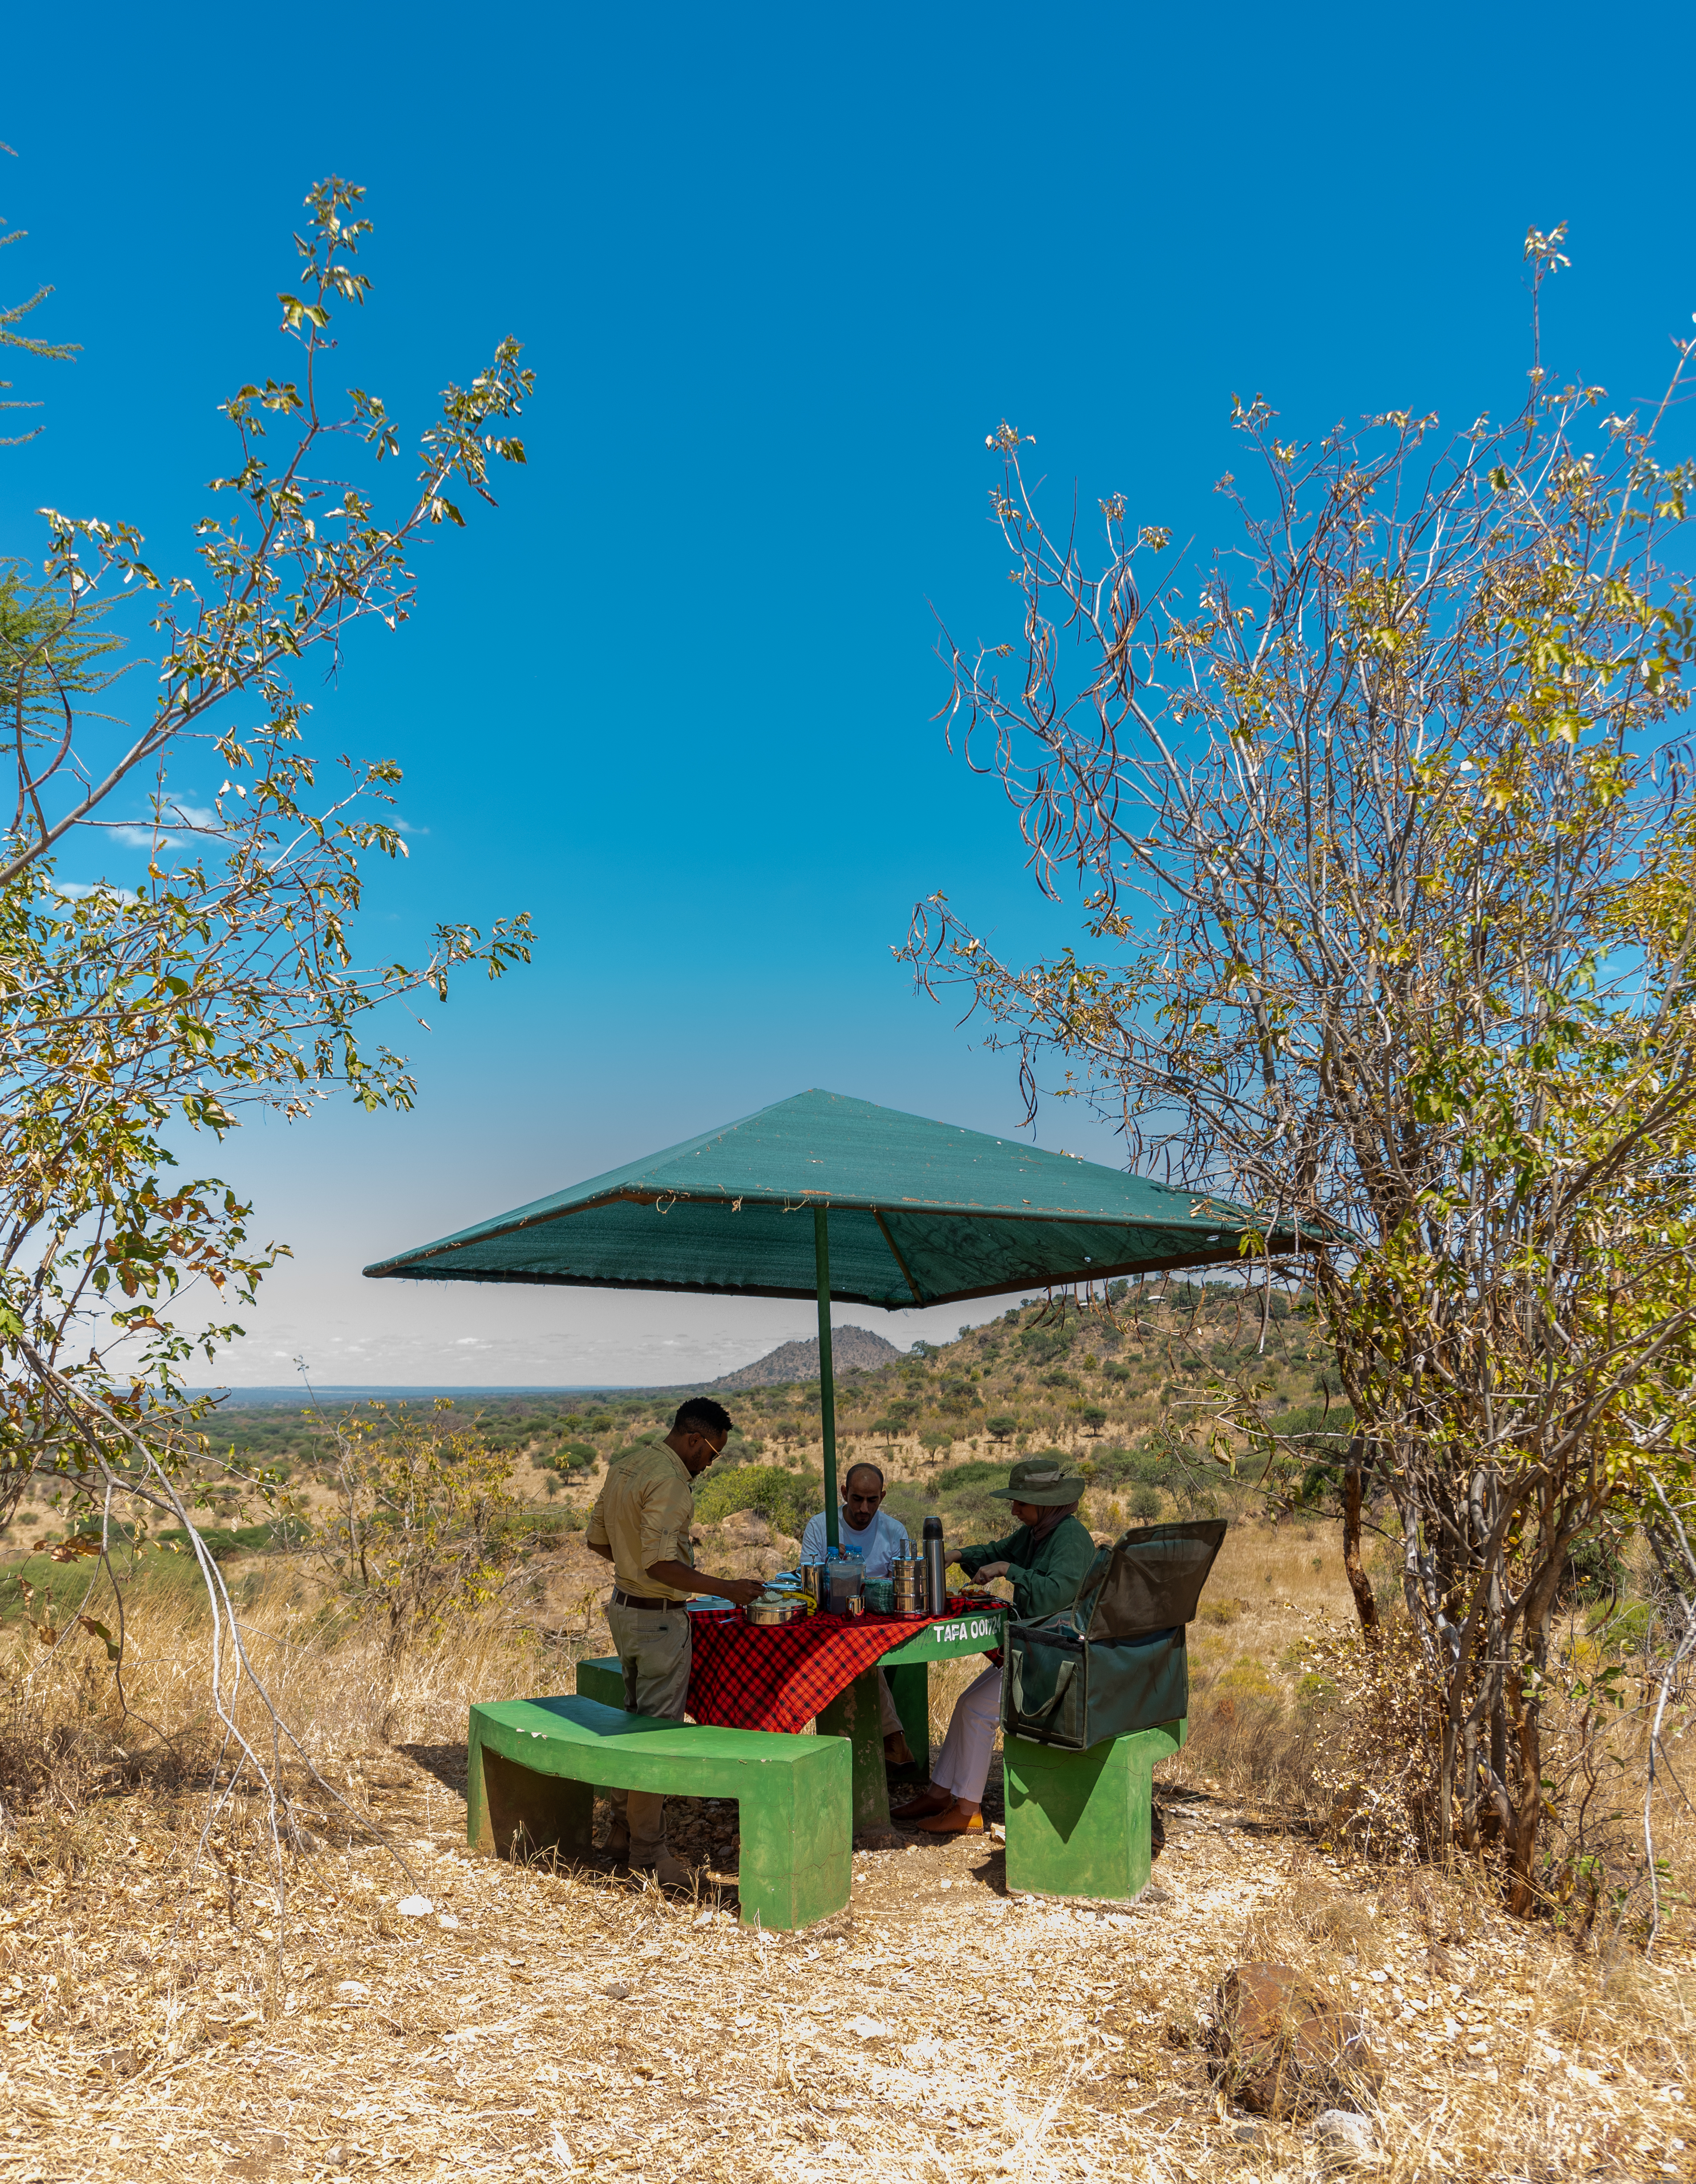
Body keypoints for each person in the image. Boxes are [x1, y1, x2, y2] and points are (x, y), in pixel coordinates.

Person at [586, 1396, 765, 1884]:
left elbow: (598, 1539)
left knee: (631, 1725)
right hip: (659, 1620)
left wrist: (633, 1570)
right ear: (692, 1440)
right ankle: (648, 1855)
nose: (711, 1464)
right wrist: (727, 1588)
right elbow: (661, 1563)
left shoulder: (629, 1463)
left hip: (624, 1610)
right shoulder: (671, 1482)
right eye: (712, 1453)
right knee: (655, 1738)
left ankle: (622, 1832)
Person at [895, 1454, 1096, 1836]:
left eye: (1020, 1502)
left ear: (1046, 1504)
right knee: (966, 1702)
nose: (1014, 1509)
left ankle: (968, 1809)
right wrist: (955, 1556)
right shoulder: (1039, 1533)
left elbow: (1054, 1596)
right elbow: (996, 1549)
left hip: (1061, 1656)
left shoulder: (1069, 1538)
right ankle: (940, 1794)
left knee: (977, 1709)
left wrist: (1009, 1570)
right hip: (1039, 1647)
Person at [801, 1461, 915, 1767]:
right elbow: (809, 1584)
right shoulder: (820, 1526)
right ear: (843, 1493)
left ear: (883, 1496)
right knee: (853, 1650)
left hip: (877, 1625)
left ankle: (885, 1741)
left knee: (861, 1649)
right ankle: (892, 1737)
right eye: (856, 1499)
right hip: (832, 1622)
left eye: (872, 1500)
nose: (864, 1508)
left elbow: (902, 1587)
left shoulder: (894, 1531)